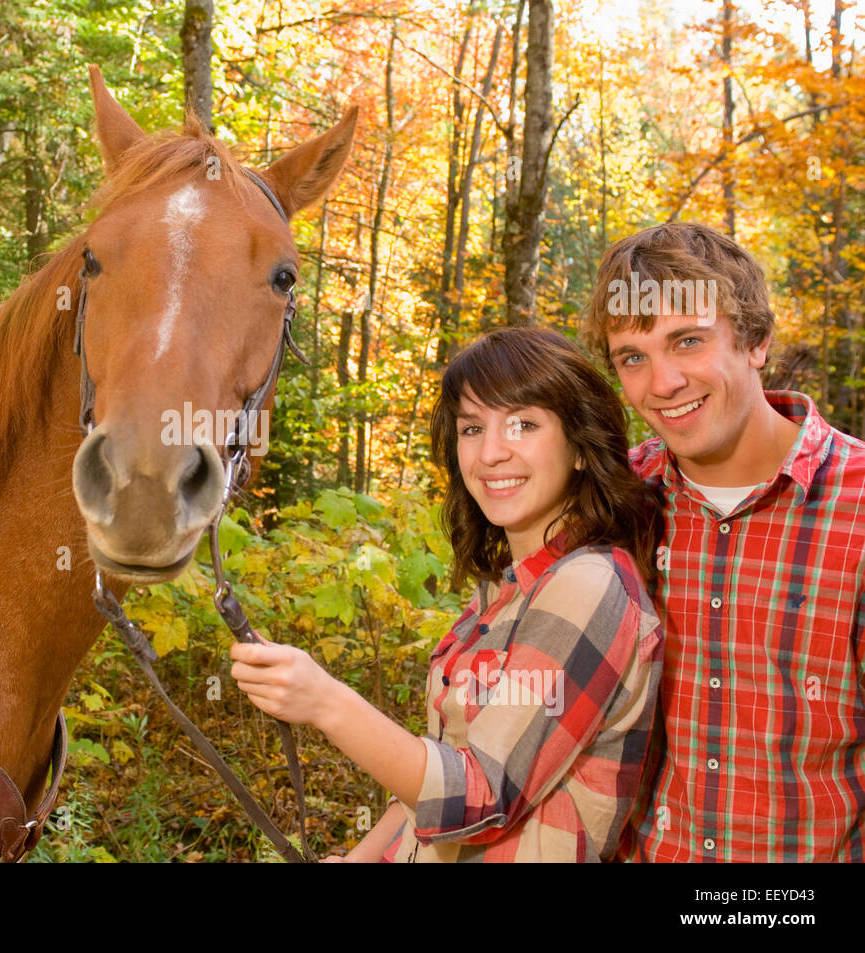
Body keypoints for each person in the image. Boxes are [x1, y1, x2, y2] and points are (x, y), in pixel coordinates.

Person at [230, 327, 664, 861]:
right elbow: (439, 768)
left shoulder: (588, 585)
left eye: (524, 424)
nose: (492, 453)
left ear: (580, 446)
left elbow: (480, 798)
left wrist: (326, 701)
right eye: (472, 428)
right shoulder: (507, 585)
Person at [581, 222, 865, 862]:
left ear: (756, 341)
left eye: (687, 342)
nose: (663, 383)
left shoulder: (856, 507)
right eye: (633, 357)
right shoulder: (613, 500)